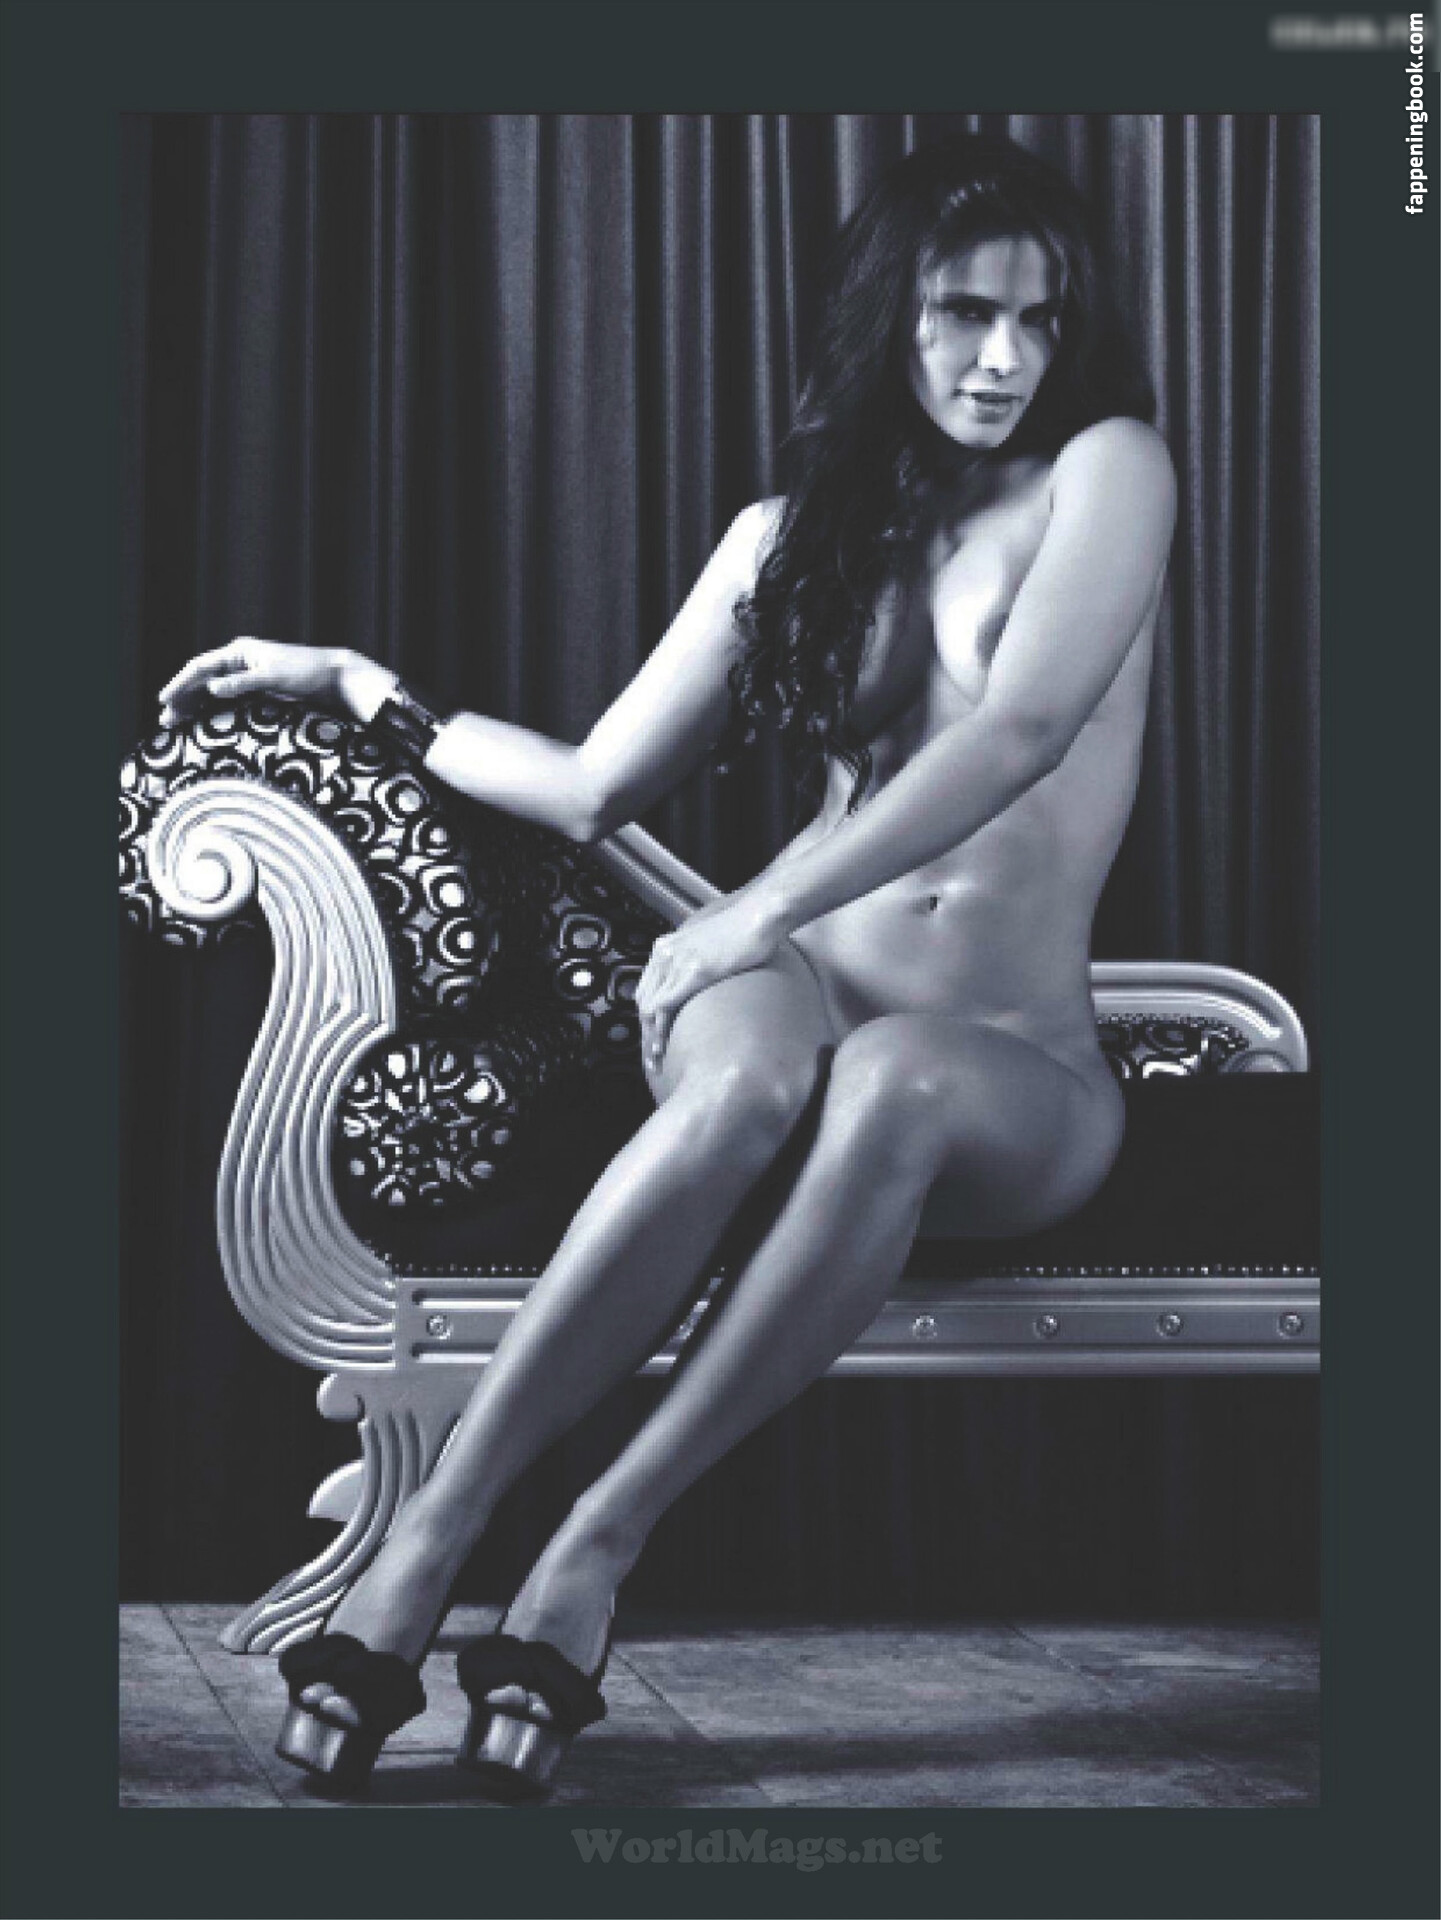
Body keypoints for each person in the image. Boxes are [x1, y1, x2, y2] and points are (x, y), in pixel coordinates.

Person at [158, 130, 1176, 1799]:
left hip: (1005, 1067)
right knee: (754, 1070)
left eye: (1039, 318)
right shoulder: (791, 535)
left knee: (890, 1079)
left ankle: (598, 1539)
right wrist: (355, 684)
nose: (1004, 356)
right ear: (890, 312)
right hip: (795, 995)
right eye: (962, 311)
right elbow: (589, 785)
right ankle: (431, 1536)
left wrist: (749, 912)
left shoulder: (1105, 471)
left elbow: (1023, 730)